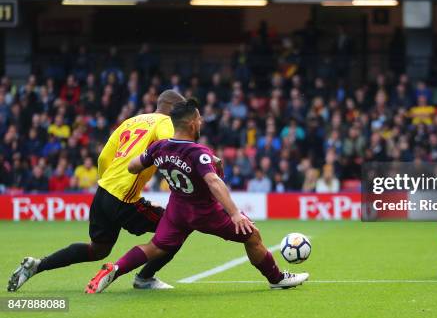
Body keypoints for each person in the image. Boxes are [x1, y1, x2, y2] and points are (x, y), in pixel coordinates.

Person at [84, 99, 308, 293]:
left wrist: (152, 159)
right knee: (251, 235)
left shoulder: (159, 147)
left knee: (154, 247)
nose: (200, 123)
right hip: (204, 211)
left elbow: (133, 167)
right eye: (199, 120)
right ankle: (277, 279)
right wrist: (235, 213)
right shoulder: (198, 153)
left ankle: (115, 269)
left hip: (177, 211)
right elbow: (213, 182)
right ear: (192, 123)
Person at [7, 90, 187, 292]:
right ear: (172, 108)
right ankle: (145, 278)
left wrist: (108, 183)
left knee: (98, 249)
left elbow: (103, 158)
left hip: (103, 192)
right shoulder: (165, 122)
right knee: (177, 227)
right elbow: (173, 146)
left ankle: (38, 265)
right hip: (123, 196)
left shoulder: (131, 121)